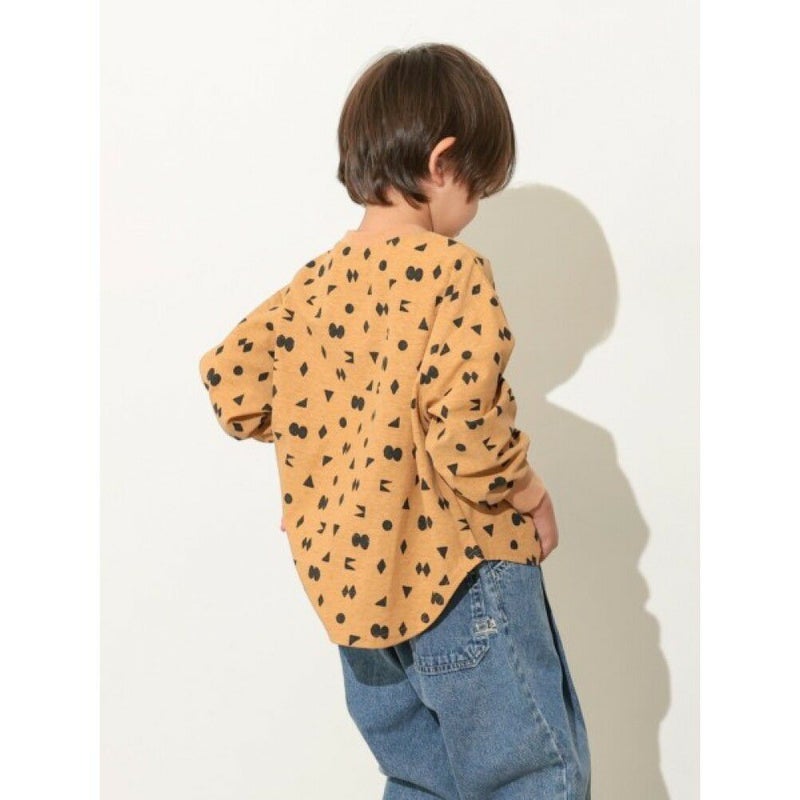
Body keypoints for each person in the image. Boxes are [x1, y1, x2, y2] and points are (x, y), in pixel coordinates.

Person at [198, 42, 591, 800]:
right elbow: (464, 431)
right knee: (531, 776)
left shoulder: (312, 287)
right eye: (479, 189)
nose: (473, 214)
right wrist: (532, 493)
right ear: (442, 164)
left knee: (421, 783)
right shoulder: (451, 271)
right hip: (461, 573)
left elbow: (232, 382)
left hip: (355, 597)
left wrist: (321, 464)